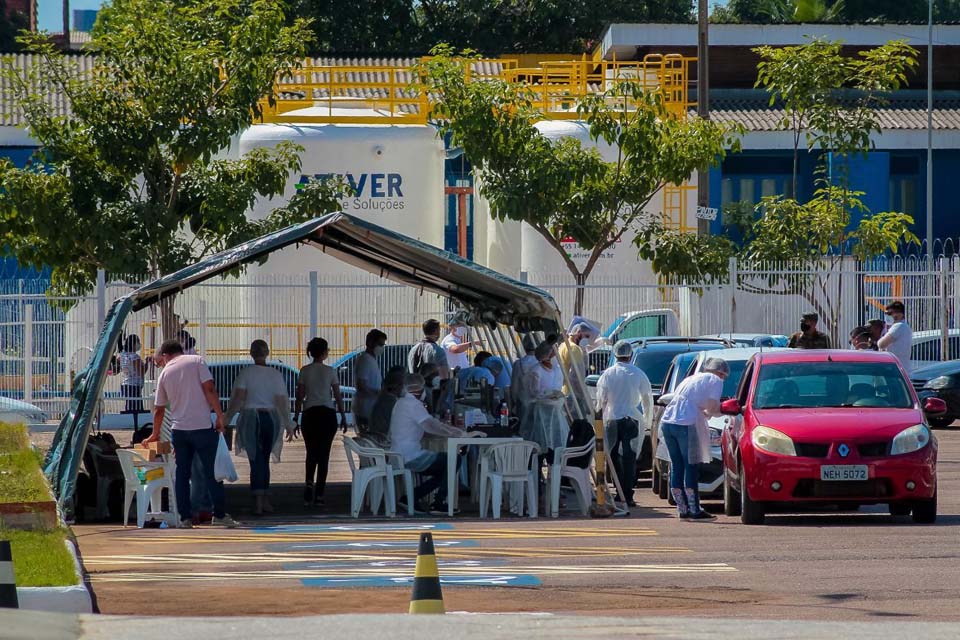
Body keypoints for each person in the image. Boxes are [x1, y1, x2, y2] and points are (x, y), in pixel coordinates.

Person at [142, 339, 238, 528]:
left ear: (166, 355)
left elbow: (159, 409)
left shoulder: (165, 373)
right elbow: (209, 388)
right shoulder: (196, 361)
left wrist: (155, 433)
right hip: (202, 427)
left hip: (179, 431)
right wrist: (220, 416)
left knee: (182, 474)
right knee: (212, 473)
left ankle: (185, 518)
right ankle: (219, 515)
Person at [388, 373, 477, 513]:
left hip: (398, 454)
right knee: (454, 460)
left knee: (445, 469)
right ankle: (438, 503)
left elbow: (430, 423)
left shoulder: (400, 403)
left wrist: (450, 429)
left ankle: (412, 497)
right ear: (420, 389)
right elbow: (430, 426)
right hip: (410, 456)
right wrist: (455, 432)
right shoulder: (413, 405)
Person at [224, 340, 293, 516]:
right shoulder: (275, 374)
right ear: (267, 353)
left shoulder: (246, 373)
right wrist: (288, 423)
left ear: (251, 353)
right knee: (265, 458)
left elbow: (238, 398)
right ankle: (265, 499)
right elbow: (282, 401)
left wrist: (226, 419)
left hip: (250, 418)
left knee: (255, 460)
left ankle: (258, 502)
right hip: (271, 418)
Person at [659, 357, 729, 520]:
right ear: (721, 373)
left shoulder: (691, 378)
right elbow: (712, 405)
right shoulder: (716, 380)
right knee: (691, 464)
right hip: (686, 423)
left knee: (677, 465)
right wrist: (721, 410)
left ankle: (682, 508)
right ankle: (695, 509)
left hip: (668, 421)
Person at [595, 340, 653, 507]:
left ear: (615, 354)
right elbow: (647, 399)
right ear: (630, 354)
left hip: (612, 418)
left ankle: (618, 490)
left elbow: (601, 400)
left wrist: (599, 420)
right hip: (631, 418)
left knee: (613, 456)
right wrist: (647, 421)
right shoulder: (638, 373)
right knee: (629, 457)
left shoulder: (607, 374)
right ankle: (627, 493)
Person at [295, 337, 348, 507]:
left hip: (310, 414)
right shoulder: (330, 371)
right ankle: (320, 494)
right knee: (324, 454)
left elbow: (300, 396)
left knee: (311, 452)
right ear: (324, 353)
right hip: (327, 414)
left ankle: (309, 483)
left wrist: (296, 417)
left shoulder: (304, 371)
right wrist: (343, 416)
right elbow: (337, 395)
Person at [522, 340, 569, 457]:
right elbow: (534, 393)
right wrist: (548, 396)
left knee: (555, 446)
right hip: (539, 415)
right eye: (553, 353)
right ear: (547, 356)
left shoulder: (557, 370)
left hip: (555, 414)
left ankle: (552, 465)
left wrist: (556, 397)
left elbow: (558, 389)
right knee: (539, 446)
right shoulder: (536, 371)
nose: (555, 355)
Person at [353, 329, 387, 432]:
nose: (382, 347)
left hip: (370, 408)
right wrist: (378, 394)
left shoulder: (371, 359)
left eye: (383, 345)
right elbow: (361, 385)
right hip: (365, 409)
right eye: (380, 344)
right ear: (370, 343)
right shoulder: (365, 360)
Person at [557, 323, 591, 417]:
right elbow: (577, 376)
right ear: (579, 332)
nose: (587, 340)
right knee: (579, 423)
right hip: (573, 395)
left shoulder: (564, 345)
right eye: (586, 336)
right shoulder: (574, 349)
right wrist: (583, 396)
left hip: (565, 391)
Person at [368, 366, 407, 446]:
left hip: (379, 439)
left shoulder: (383, 398)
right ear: (396, 386)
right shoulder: (391, 402)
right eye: (404, 385)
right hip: (385, 443)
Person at [877, 300, 912, 371]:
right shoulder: (905, 327)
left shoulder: (898, 326)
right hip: (901, 367)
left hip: (894, 368)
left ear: (900, 314)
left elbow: (881, 344)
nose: (887, 316)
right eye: (886, 313)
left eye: (889, 313)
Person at [510, 334, 538, 416]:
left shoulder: (518, 364)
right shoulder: (543, 364)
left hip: (523, 406)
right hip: (540, 407)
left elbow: (514, 390)